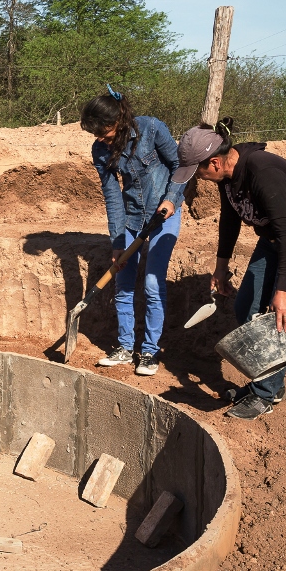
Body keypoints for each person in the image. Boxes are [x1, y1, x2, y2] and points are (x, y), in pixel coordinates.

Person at [174, 117, 286, 420]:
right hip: (271, 240)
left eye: (199, 172)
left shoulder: (262, 170)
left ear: (215, 163)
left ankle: (266, 394)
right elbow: (230, 220)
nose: (199, 179)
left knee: (280, 317)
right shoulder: (228, 177)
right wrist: (221, 266)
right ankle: (266, 383)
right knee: (246, 307)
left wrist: (283, 291)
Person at [80, 86, 185, 376]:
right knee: (122, 280)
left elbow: (180, 166)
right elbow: (112, 194)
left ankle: (150, 351)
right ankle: (125, 347)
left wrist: (172, 198)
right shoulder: (100, 149)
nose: (100, 139)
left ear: (119, 120)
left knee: (152, 283)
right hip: (132, 218)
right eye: (96, 134)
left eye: (104, 131)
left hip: (165, 213)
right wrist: (117, 241)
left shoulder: (152, 128)